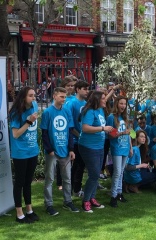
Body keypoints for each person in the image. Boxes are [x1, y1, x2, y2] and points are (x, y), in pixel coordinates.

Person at [41, 87, 79, 216]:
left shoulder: (67, 111)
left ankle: (68, 201)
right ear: (54, 96)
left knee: (67, 178)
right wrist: (49, 149)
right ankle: (49, 204)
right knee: (49, 179)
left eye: (65, 97)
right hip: (52, 152)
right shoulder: (47, 112)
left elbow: (69, 131)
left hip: (65, 151)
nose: (64, 99)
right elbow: (44, 133)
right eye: (61, 97)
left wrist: (71, 149)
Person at [78, 91, 113, 213]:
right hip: (88, 146)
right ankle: (86, 201)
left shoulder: (100, 110)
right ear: (97, 100)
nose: (105, 100)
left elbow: (106, 98)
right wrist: (103, 128)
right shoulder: (89, 111)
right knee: (93, 174)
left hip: (99, 146)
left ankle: (92, 198)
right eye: (103, 98)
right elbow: (85, 128)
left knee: (96, 174)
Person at [9, 87, 39, 223]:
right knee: (20, 182)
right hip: (20, 152)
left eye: (34, 95)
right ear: (23, 97)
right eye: (30, 95)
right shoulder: (16, 112)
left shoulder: (35, 105)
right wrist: (28, 122)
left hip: (33, 150)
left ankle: (29, 209)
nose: (33, 98)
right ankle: (19, 213)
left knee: (28, 182)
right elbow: (15, 134)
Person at [107, 96, 133, 207]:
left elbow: (130, 134)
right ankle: (113, 196)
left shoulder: (125, 118)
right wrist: (123, 133)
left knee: (121, 172)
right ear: (117, 104)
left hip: (125, 147)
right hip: (117, 147)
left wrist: (131, 148)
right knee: (117, 172)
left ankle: (119, 193)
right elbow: (111, 135)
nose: (123, 106)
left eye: (124, 104)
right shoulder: (111, 117)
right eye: (121, 103)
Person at [65, 80, 89, 198]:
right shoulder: (72, 103)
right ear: (78, 89)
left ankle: (77, 188)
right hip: (74, 140)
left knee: (80, 165)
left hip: (83, 139)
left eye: (87, 89)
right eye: (84, 89)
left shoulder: (85, 103)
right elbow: (70, 125)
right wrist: (78, 135)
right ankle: (70, 189)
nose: (86, 91)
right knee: (75, 166)